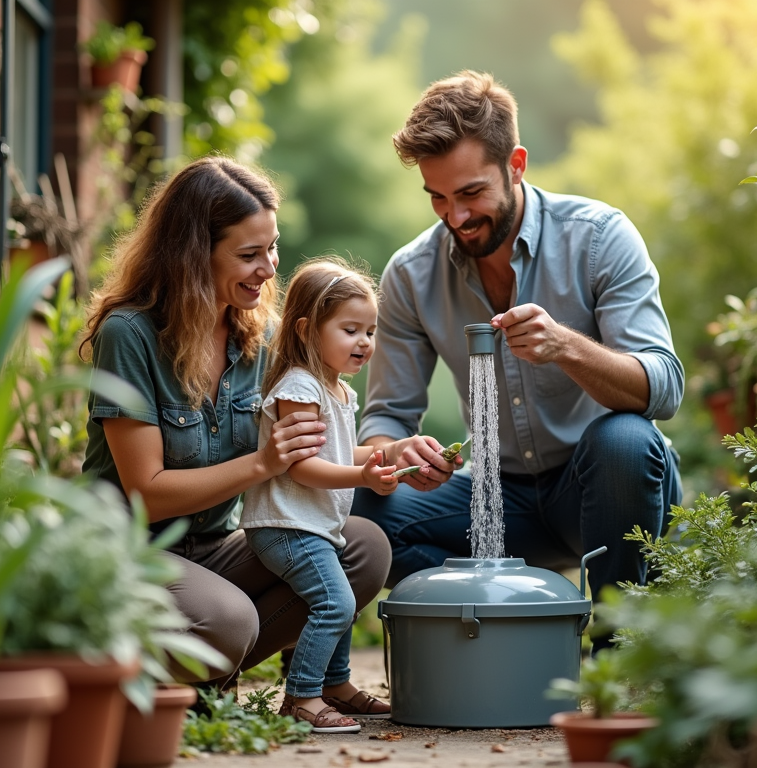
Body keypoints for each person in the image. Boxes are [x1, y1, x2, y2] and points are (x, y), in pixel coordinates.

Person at [352, 71, 684, 606]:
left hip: (600, 492)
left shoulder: (599, 237)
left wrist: (566, 347)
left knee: (624, 440)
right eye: (436, 197)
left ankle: (620, 656)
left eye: (470, 193)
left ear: (516, 165)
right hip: (493, 501)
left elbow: (664, 388)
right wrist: (394, 452)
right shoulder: (411, 273)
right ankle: (510, 615)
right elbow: (385, 419)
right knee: (359, 513)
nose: (454, 217)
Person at [79, 157, 392, 694]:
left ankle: (221, 672)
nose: (269, 268)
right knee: (229, 621)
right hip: (134, 552)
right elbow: (145, 494)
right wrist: (261, 463)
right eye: (248, 254)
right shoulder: (128, 335)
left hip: (216, 547)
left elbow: (312, 446)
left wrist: (390, 455)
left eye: (271, 247)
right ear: (191, 255)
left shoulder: (262, 338)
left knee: (363, 549)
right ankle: (187, 671)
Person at [240, 258, 406, 732]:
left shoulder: (338, 390)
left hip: (313, 524)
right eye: (350, 329)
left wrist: (377, 460)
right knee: (333, 603)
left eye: (370, 331)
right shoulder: (299, 386)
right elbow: (303, 466)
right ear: (308, 330)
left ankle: (336, 685)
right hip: (286, 525)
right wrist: (363, 479)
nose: (364, 342)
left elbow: (332, 448)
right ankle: (301, 696)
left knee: (344, 599)